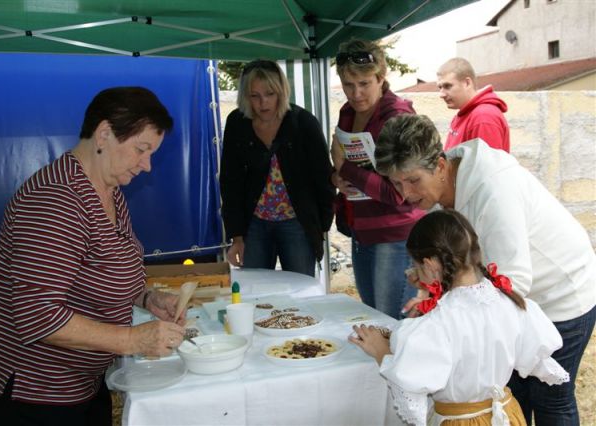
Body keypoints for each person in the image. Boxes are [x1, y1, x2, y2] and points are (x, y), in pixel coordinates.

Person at [0, 87, 185, 426]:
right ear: (104, 133)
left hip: (79, 376)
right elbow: (38, 315)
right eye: (141, 150)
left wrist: (146, 296)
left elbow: (103, 268)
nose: (147, 166)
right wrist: (132, 339)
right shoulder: (55, 200)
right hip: (34, 384)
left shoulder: (108, 189)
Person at [374, 114, 596, 425]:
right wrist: (432, 284)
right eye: (396, 183)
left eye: (412, 181)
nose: (405, 194)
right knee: (508, 394)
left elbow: (513, 280)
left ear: (440, 165)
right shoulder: (443, 185)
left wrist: (446, 311)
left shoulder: (494, 189)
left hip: (561, 294)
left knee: (550, 400)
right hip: (517, 304)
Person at [350, 209, 569, 426]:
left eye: (416, 265)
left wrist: (382, 353)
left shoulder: (437, 324)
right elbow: (532, 357)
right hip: (506, 414)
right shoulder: (512, 304)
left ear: (430, 265)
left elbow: (412, 385)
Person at [330, 38, 423, 318]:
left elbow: (400, 193)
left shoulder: (398, 117)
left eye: (364, 83)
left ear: (381, 78)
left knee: (391, 323)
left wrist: (345, 169)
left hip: (395, 234)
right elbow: (340, 163)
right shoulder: (348, 112)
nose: (356, 93)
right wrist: (336, 177)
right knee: (373, 317)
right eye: (348, 85)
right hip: (361, 228)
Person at [220, 59, 334, 277]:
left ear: (282, 91)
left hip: (297, 225)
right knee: (254, 291)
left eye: (270, 94)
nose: (263, 103)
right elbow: (230, 182)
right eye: (255, 96)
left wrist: (321, 227)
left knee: (301, 289)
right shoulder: (237, 122)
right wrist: (236, 236)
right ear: (245, 96)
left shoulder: (304, 123)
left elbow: (324, 178)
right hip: (253, 225)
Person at [437, 57, 510, 151]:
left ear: (467, 83)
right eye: (440, 87)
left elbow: (487, 165)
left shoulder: (484, 117)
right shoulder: (464, 115)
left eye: (447, 86)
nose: (441, 94)